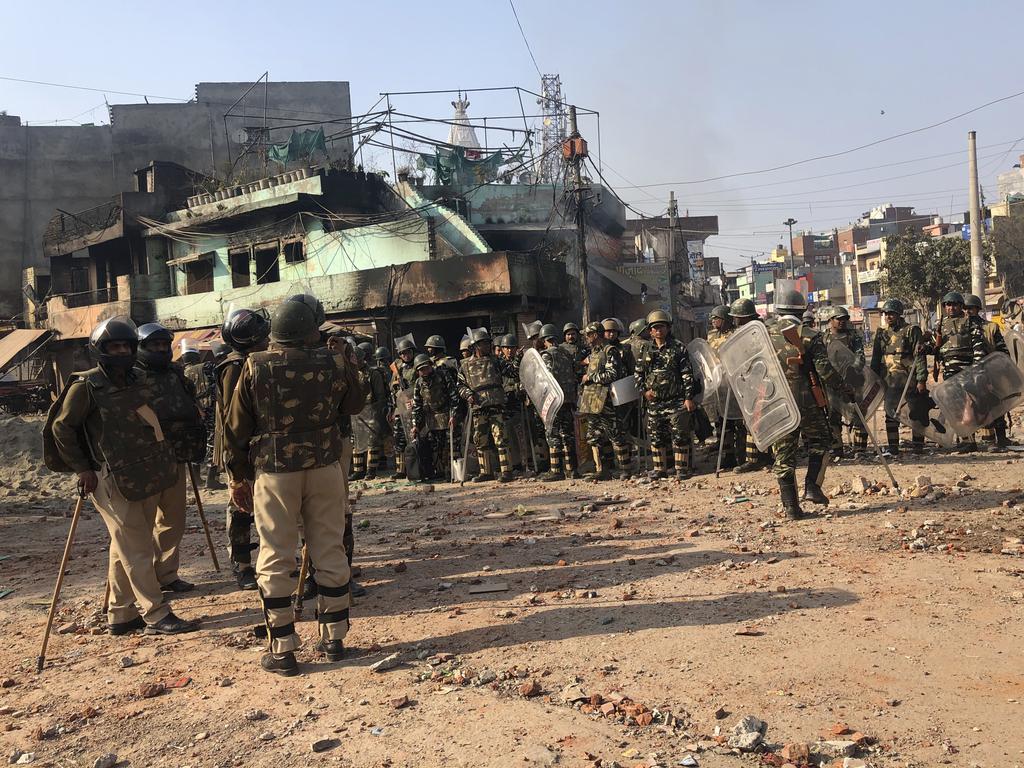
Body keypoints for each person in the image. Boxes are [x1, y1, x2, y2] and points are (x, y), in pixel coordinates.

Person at [223, 296, 364, 675]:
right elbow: (353, 404)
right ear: (310, 329)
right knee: (329, 549)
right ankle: (334, 639)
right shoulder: (333, 361)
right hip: (325, 466)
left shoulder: (254, 366)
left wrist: (237, 476)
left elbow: (236, 429)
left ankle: (282, 649)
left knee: (275, 554)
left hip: (275, 470)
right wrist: (349, 363)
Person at [43, 317, 199, 635]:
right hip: (110, 476)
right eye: (114, 346)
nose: (121, 351)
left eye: (126, 345)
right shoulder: (86, 385)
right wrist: (83, 468)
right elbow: (62, 427)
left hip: (144, 472)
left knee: (124, 546)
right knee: (137, 547)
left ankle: (121, 613)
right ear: (100, 350)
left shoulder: (138, 379)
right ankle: (155, 612)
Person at [135, 322, 207, 594]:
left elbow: (192, 404)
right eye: (154, 345)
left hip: (176, 457)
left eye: (165, 345)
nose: (161, 350)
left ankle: (166, 574)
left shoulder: (177, 374)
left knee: (173, 520)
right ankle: (142, 582)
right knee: (141, 525)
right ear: (142, 348)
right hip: (144, 461)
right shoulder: (131, 378)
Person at [768, 290, 847, 519]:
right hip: (808, 402)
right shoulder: (810, 335)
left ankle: (791, 507)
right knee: (821, 441)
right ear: (801, 309)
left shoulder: (763, 336)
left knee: (784, 454)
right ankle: (812, 486)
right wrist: (845, 389)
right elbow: (825, 371)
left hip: (776, 403)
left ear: (779, 309)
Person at [216, 307, 271, 590]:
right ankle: (241, 564)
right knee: (239, 507)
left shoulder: (258, 361)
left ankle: (264, 561)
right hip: (239, 448)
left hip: (260, 446)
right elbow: (231, 419)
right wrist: (235, 466)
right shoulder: (234, 367)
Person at [635, 310, 698, 479]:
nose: (658, 331)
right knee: (656, 437)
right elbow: (638, 374)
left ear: (668, 328)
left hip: (676, 401)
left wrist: (688, 398)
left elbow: (687, 374)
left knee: (680, 435)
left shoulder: (678, 347)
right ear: (650, 331)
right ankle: (660, 469)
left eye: (661, 327)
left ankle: (681, 470)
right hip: (655, 402)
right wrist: (644, 391)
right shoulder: (646, 349)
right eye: (655, 328)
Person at [870, 299, 928, 457]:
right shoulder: (881, 333)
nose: (889, 317)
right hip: (890, 379)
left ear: (898, 314)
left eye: (892, 314)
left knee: (916, 411)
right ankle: (893, 446)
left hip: (910, 378)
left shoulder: (911, 330)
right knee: (890, 412)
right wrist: (873, 378)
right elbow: (876, 358)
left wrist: (921, 379)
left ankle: (918, 446)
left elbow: (920, 357)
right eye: (886, 314)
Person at [457, 329, 515, 482]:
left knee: (500, 437)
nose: (487, 346)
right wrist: (468, 395)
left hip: (496, 404)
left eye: (488, 343)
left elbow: (512, 373)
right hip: (478, 406)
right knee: (480, 440)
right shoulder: (465, 365)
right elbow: (460, 386)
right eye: (484, 344)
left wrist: (516, 359)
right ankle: (486, 472)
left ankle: (506, 471)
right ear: (476, 346)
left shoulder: (496, 360)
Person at [579, 318, 633, 480]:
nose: (586, 338)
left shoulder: (610, 351)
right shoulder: (594, 352)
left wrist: (590, 377)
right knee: (595, 436)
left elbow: (612, 374)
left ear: (595, 334)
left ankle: (625, 469)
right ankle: (603, 469)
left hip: (606, 399)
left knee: (615, 434)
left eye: (588, 335)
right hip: (592, 400)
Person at [933, 291, 987, 452]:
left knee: (967, 406)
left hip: (966, 370)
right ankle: (964, 439)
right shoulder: (941, 324)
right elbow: (937, 347)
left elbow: (978, 346)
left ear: (960, 306)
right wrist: (925, 348)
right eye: (948, 305)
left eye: (954, 304)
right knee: (954, 406)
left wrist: (976, 369)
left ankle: (970, 441)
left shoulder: (970, 322)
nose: (951, 307)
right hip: (949, 370)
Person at [729, 299, 772, 474]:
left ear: (743, 317)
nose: (734, 321)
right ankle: (753, 458)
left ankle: (767, 457)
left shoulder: (759, 332)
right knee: (751, 422)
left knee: (763, 420)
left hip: (763, 380)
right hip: (748, 383)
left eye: (736, 317)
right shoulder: (743, 332)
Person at [819, 306, 868, 458]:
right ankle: (837, 449)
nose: (842, 322)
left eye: (844, 319)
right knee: (832, 417)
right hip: (831, 383)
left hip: (852, 382)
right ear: (830, 320)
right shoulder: (823, 338)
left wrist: (853, 370)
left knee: (858, 415)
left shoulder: (853, 336)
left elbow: (860, 356)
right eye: (838, 319)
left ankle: (860, 450)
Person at [965, 293, 1011, 450]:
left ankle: (1001, 439)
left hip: (990, 373)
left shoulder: (991, 327)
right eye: (965, 309)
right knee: (975, 408)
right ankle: (983, 440)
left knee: (996, 407)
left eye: (970, 308)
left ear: (977, 309)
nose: (967, 312)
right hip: (969, 374)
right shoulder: (960, 330)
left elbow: (1003, 352)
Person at [537, 324, 579, 480]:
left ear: (544, 340)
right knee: (568, 434)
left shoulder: (546, 355)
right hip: (568, 399)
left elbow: (545, 379)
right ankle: (573, 470)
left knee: (553, 433)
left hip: (554, 401)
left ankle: (556, 471)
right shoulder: (567, 353)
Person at [706, 305, 745, 469]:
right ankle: (728, 455)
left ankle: (742, 454)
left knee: (739, 423)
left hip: (735, 382)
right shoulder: (711, 335)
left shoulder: (736, 334)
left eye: (717, 318)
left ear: (726, 319)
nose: (714, 321)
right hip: (719, 384)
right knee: (723, 423)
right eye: (713, 318)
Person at [411, 353, 459, 481]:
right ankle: (440, 471)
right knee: (436, 447)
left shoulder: (443, 375)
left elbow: (454, 396)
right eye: (421, 370)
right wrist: (415, 425)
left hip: (447, 414)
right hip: (431, 418)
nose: (424, 371)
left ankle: (452, 472)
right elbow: (417, 405)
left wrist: (454, 415)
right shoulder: (419, 383)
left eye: (426, 368)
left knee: (450, 445)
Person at [182, 340, 223, 490]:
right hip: (211, 411)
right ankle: (211, 479)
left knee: (198, 443)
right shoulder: (207, 367)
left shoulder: (182, 374)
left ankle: (197, 478)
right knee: (213, 443)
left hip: (194, 413)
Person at [351, 343, 390, 480]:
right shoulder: (351, 373)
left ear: (362, 359)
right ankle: (358, 471)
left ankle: (371, 471)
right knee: (356, 441)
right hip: (356, 411)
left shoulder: (373, 373)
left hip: (371, 409)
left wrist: (378, 413)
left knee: (372, 442)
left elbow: (380, 395)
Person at [389, 338, 418, 479]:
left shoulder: (417, 366)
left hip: (414, 406)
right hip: (401, 408)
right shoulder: (397, 369)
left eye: (408, 352)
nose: (406, 355)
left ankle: (417, 467)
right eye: (403, 353)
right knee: (399, 437)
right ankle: (401, 469)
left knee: (416, 437)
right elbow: (392, 389)